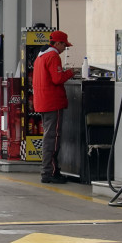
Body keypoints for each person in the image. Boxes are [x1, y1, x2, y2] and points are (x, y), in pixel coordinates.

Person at [33, 30, 75, 184]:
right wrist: (71, 72)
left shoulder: (41, 56)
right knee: (53, 138)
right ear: (57, 43)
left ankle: (51, 170)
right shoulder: (53, 56)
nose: (65, 48)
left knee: (49, 136)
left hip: (42, 102)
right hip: (52, 102)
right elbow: (57, 79)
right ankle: (48, 172)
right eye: (64, 44)